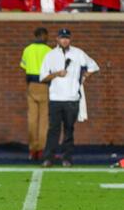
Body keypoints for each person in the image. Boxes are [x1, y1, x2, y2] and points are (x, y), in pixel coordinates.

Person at [39, 29, 99, 167]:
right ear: (57, 39)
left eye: (67, 38)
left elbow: (93, 66)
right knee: (53, 130)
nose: (65, 40)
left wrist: (84, 76)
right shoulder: (50, 55)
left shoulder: (78, 53)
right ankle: (48, 158)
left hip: (72, 98)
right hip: (55, 98)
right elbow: (43, 77)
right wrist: (56, 74)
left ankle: (67, 158)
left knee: (69, 130)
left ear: (70, 39)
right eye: (62, 38)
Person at [20, 27, 52, 161]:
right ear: (43, 35)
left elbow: (24, 67)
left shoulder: (27, 49)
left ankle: (32, 149)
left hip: (32, 86)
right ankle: (41, 149)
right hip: (45, 86)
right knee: (43, 120)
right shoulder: (49, 51)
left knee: (32, 119)